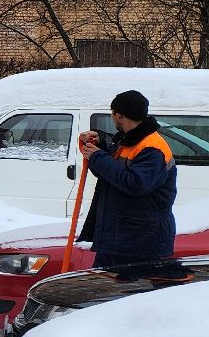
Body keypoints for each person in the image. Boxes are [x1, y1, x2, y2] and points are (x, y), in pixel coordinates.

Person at [76, 90, 177, 270]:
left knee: (130, 295)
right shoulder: (131, 141)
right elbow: (114, 173)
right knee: (104, 290)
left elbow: (135, 183)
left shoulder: (152, 148)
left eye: (112, 114)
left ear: (119, 115)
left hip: (139, 243)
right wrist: (99, 146)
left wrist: (98, 157)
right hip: (121, 238)